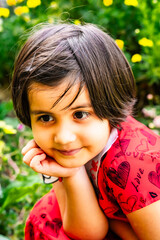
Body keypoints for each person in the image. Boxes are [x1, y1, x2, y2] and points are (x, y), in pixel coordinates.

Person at [11, 23, 160, 240]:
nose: (63, 137)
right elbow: (88, 232)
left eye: (80, 114)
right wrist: (71, 174)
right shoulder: (65, 147)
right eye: (45, 118)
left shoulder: (134, 160)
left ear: (110, 102)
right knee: (47, 218)